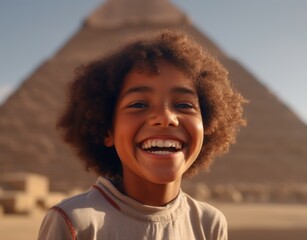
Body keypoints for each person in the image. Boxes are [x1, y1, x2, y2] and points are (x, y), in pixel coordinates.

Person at [38, 30, 246, 240]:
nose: (165, 118)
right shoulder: (75, 223)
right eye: (138, 104)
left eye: (184, 105)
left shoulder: (209, 224)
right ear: (107, 130)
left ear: (208, 124)